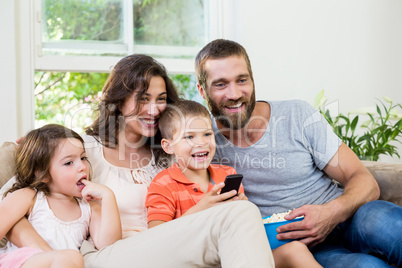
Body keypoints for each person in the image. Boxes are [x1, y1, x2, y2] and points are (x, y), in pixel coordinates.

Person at [2, 54, 275, 267]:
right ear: (119, 102)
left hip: (167, 250)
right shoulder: (83, 150)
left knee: (242, 213)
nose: (154, 109)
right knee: (239, 215)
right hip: (107, 257)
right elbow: (15, 199)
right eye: (143, 99)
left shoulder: (170, 154)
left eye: (161, 99)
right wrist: (48, 254)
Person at [194, 39, 402, 267]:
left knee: (391, 226)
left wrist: (330, 214)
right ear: (202, 90)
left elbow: (365, 181)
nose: (234, 94)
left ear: (252, 80)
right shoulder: (201, 144)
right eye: (221, 85)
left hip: (348, 217)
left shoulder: (297, 115)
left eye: (241, 80)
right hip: (303, 251)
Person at [146, 99, 323, 268]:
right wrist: (201, 209)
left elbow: (242, 225)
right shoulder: (163, 184)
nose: (201, 142)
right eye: (189, 137)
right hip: (196, 262)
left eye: (207, 134)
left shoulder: (227, 174)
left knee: (295, 250)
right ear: (168, 146)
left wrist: (245, 209)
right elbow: (155, 239)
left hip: (236, 254)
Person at [0, 124, 121, 268]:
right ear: (42, 174)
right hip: (21, 263)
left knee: (70, 260)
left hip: (64, 263)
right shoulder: (30, 197)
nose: (82, 166)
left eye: (83, 158)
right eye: (69, 162)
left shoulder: (88, 207)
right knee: (71, 258)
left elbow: (109, 246)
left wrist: (108, 196)